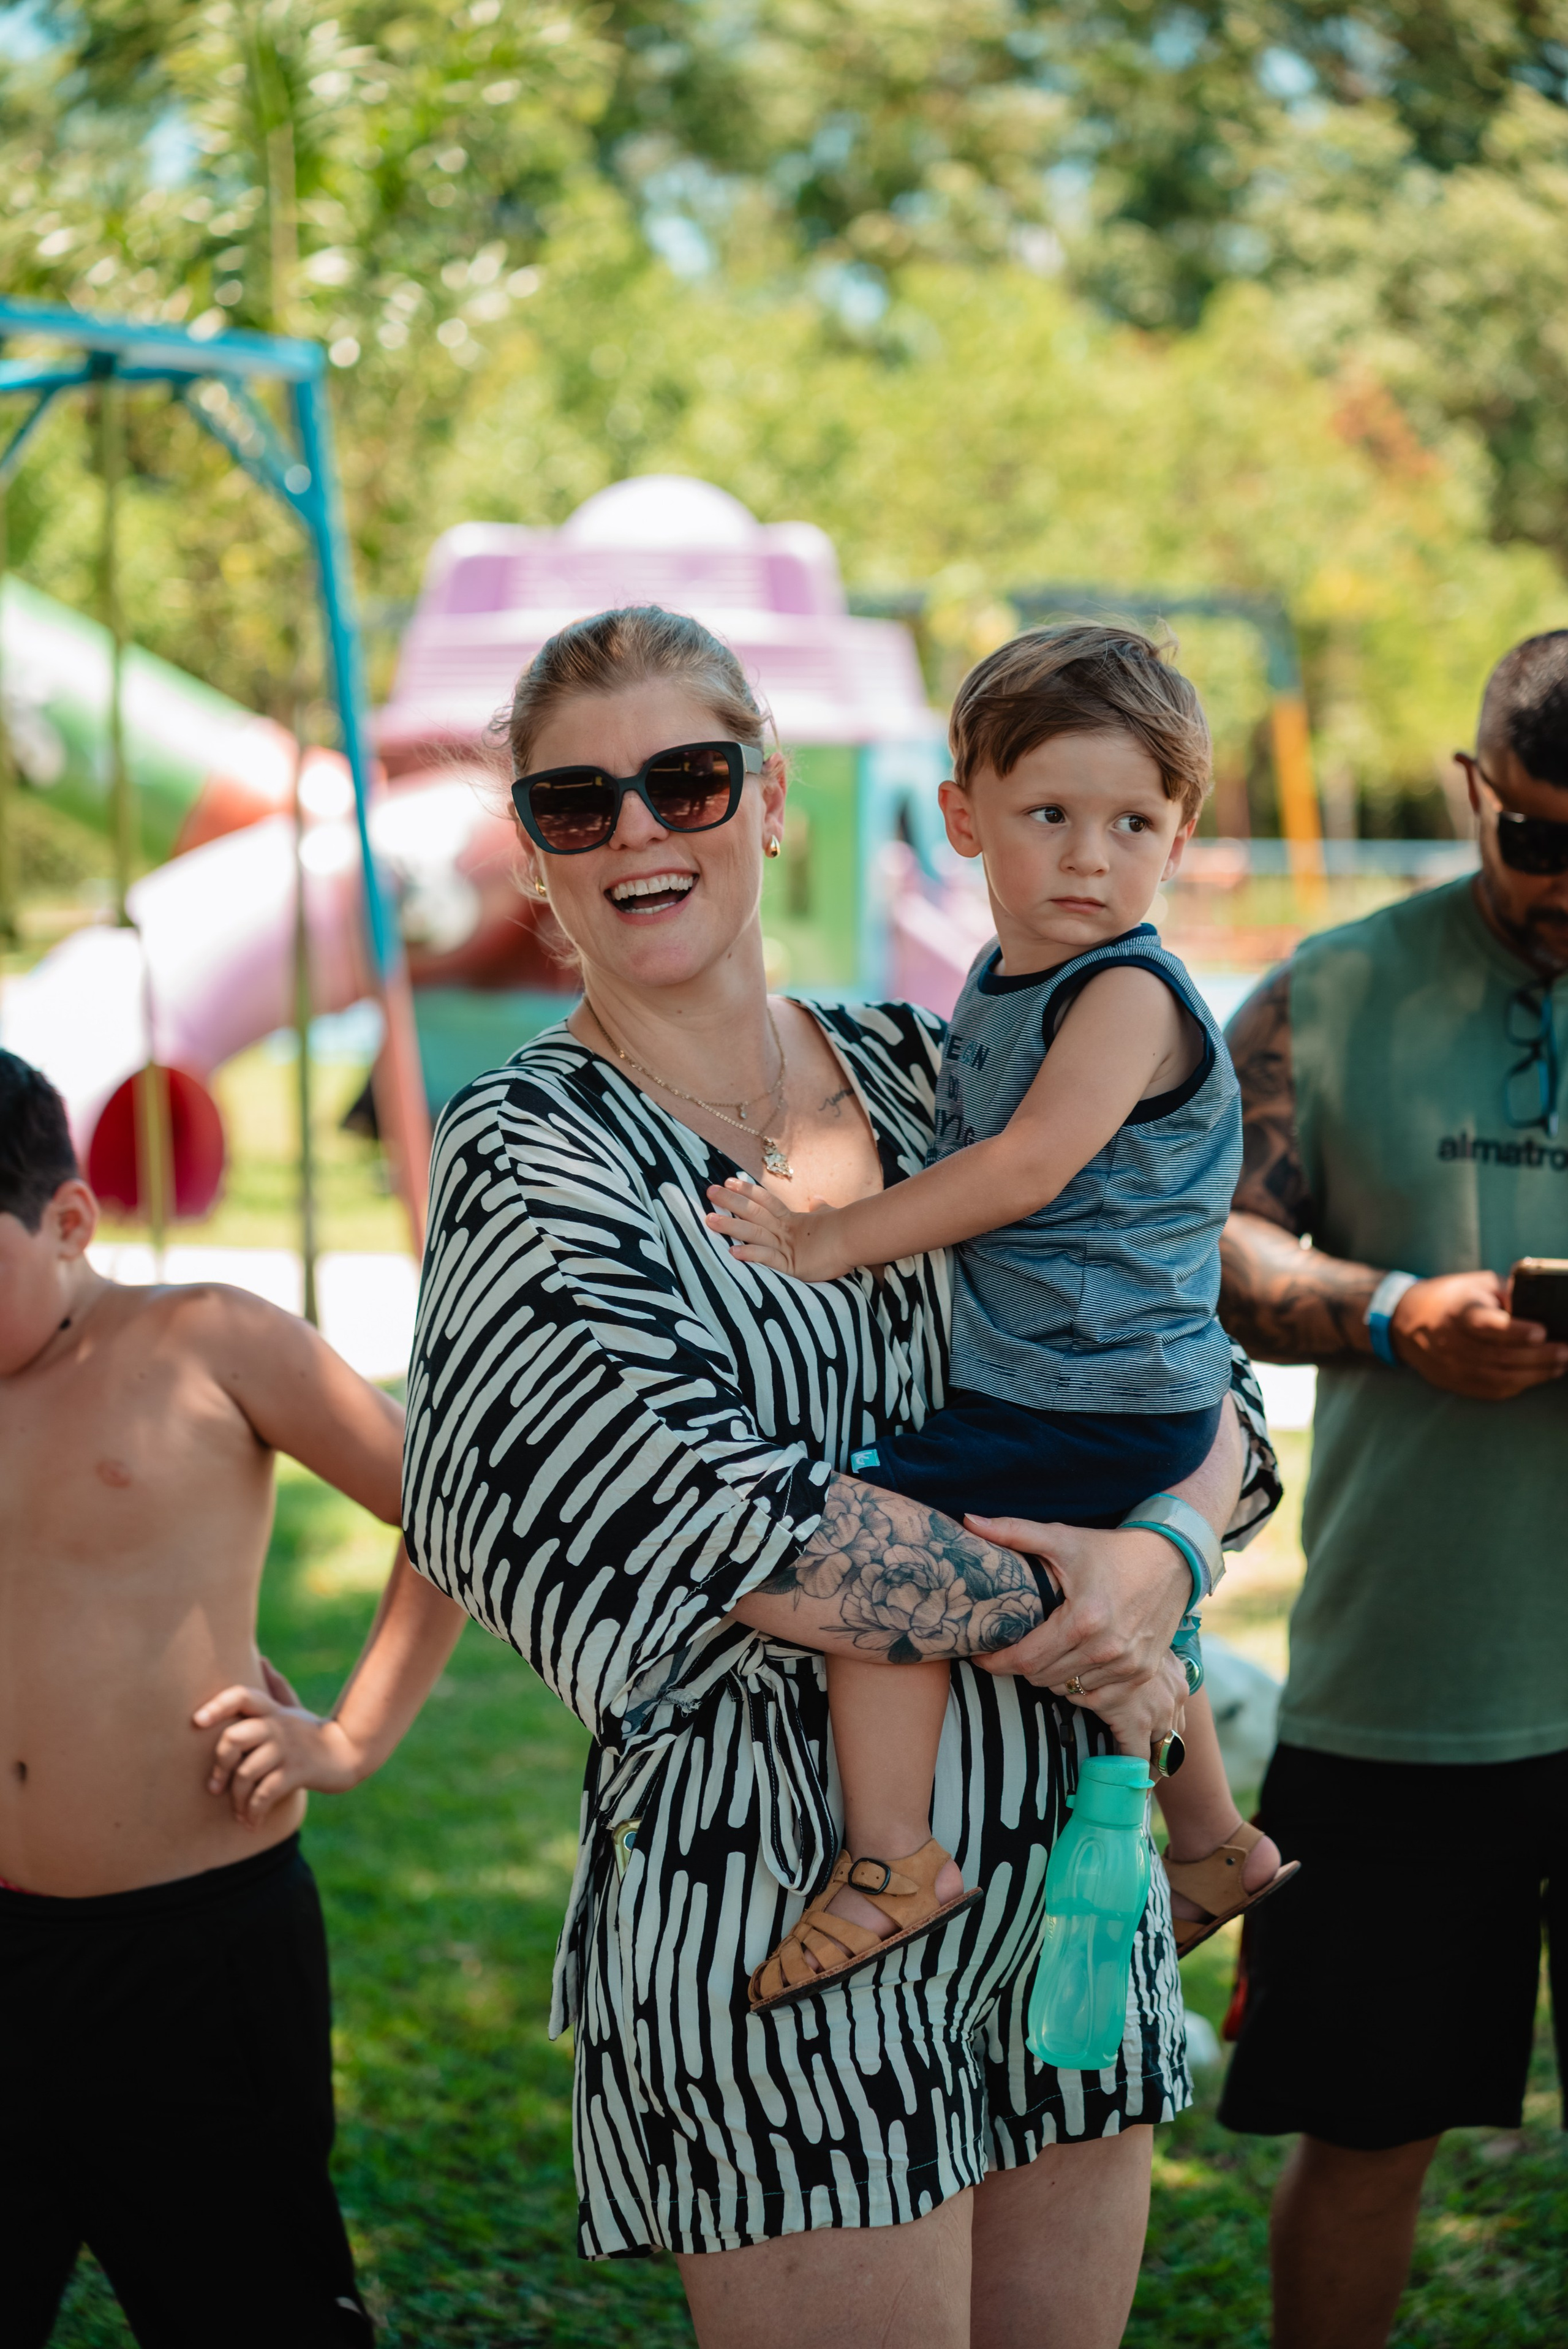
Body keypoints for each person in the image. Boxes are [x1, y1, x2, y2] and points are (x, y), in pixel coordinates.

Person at [402, 603, 1283, 2348]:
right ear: (536, 853)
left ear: (772, 800)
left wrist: (1165, 1559)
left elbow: (1208, 1385)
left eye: (687, 778)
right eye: (579, 804)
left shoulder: (929, 1059)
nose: (641, 830)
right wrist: (1080, 1593)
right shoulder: (532, 1148)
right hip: (788, 1903)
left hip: (1062, 1893)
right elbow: (725, 1526)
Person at [706, 625, 1295, 2010]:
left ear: (1180, 831)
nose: (1089, 857)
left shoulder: (1125, 993)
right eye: (1047, 817)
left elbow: (1024, 1167)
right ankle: (1211, 1841)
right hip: (1117, 1382)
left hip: (1085, 1389)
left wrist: (824, 1239)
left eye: (1131, 823)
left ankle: (891, 1856)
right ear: (963, 818)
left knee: (868, 1553)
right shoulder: (1008, 982)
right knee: (1126, 1615)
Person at [1213, 628, 1568, 2349]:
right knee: (1366, 2134)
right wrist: (1388, 1312)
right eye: (1541, 839)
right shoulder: (1335, 987)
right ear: (1473, 790)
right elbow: (1200, 1238)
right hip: (1409, 1689)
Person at [0, 1049, 467, 2349]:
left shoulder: (203, 1338)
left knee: (248, 2305)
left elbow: (447, 1512)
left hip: (190, 1953)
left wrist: (356, 1732)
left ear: (71, 1219)